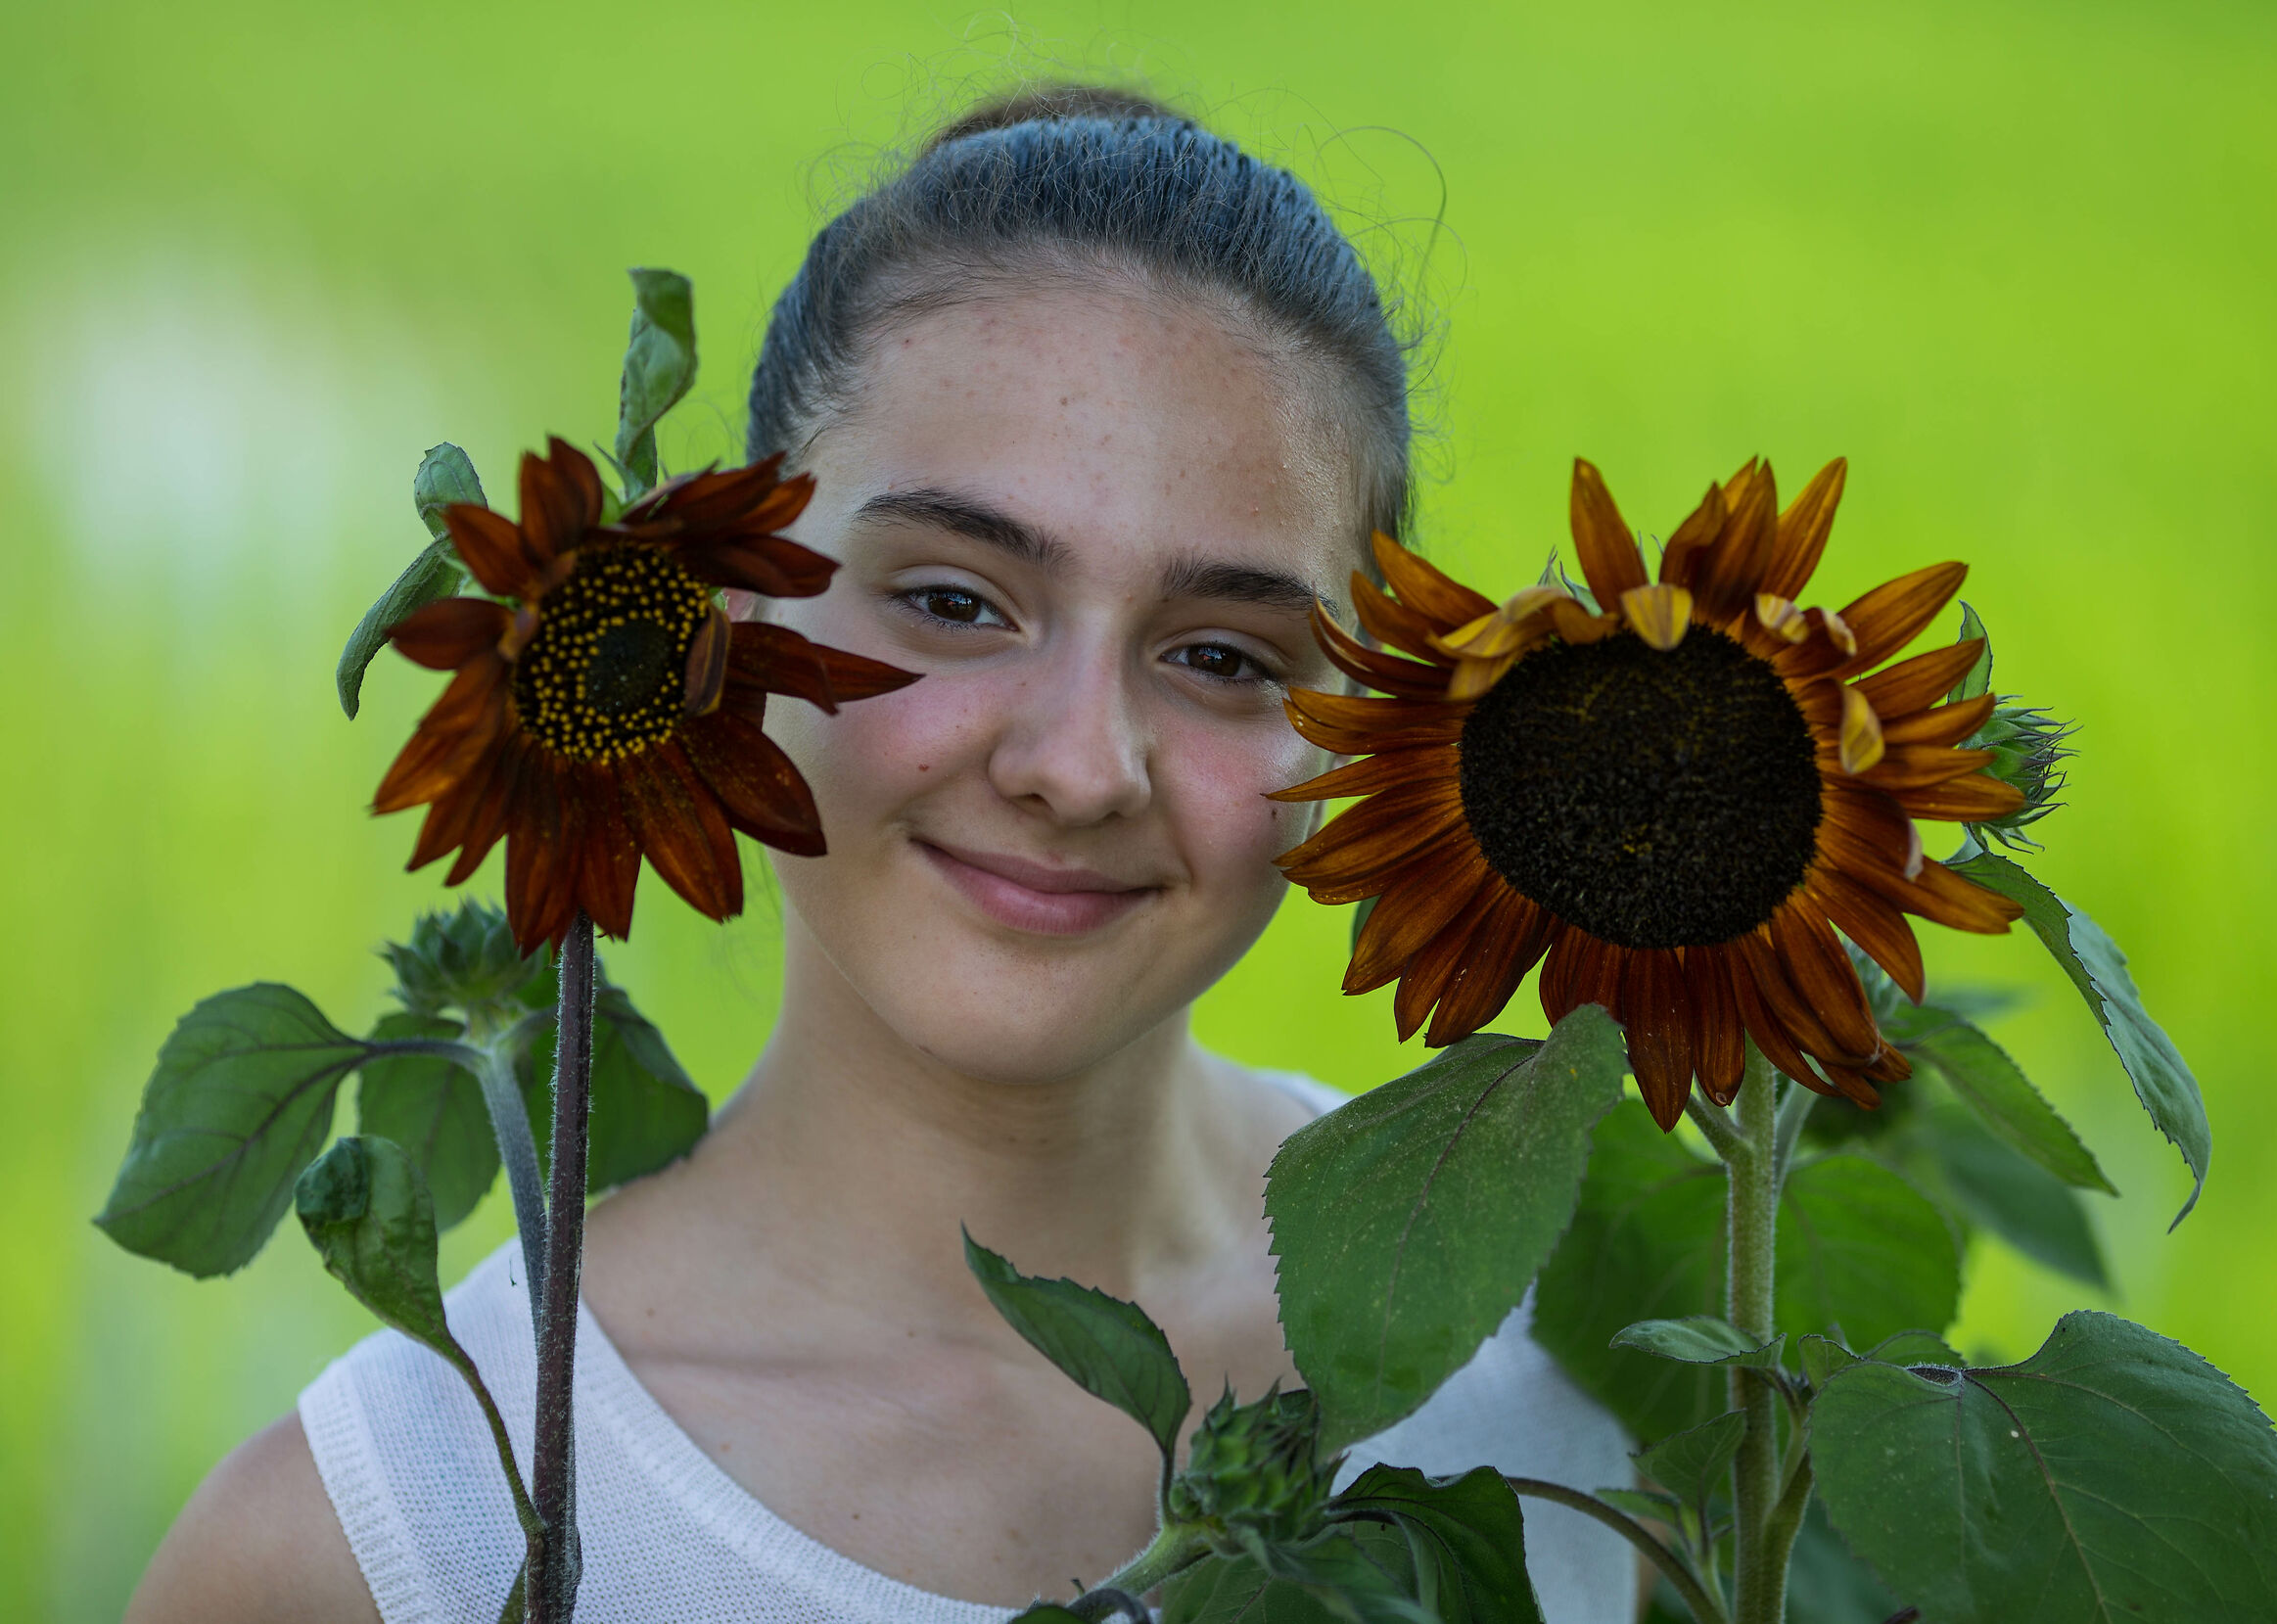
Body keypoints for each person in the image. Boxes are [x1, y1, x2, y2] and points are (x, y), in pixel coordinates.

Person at [128, 85, 1637, 1624]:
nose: (1075, 767)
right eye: (956, 601)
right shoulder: (383, 1540)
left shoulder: (1590, 1368)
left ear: (1362, 726)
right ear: (717, 609)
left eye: (1226, 658)